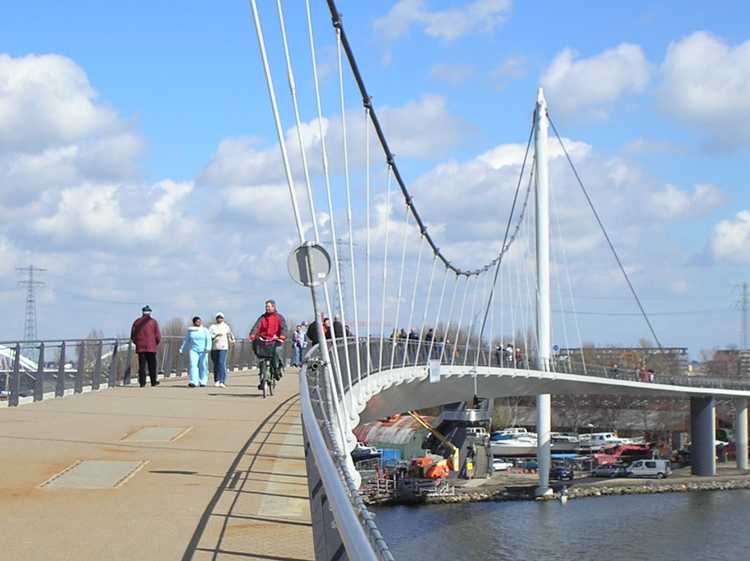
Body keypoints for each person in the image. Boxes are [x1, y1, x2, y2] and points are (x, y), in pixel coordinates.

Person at [249, 300, 288, 388]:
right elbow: (256, 327)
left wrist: (282, 336)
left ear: (274, 307)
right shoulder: (262, 318)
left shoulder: (279, 317)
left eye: (269, 307)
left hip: (275, 341)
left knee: (277, 351)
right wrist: (252, 334)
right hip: (263, 341)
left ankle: (276, 368)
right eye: (266, 306)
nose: (267, 308)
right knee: (260, 357)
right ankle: (262, 379)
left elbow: (284, 328)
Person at [130, 305, 162, 387]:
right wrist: (155, 343)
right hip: (151, 346)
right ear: (150, 312)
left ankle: (142, 382)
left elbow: (133, 335)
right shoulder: (153, 322)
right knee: (152, 364)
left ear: (142, 312)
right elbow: (158, 335)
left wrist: (137, 342)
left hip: (141, 346)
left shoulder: (137, 322)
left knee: (142, 365)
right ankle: (153, 381)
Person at [179, 316, 212, 387]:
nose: (199, 323)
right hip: (193, 350)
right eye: (197, 322)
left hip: (203, 351)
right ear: (194, 322)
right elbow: (186, 341)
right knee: (193, 365)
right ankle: (193, 381)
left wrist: (208, 348)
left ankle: (203, 381)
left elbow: (208, 339)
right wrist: (181, 349)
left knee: (203, 366)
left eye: (200, 321)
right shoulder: (191, 331)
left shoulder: (204, 330)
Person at [209, 313, 235, 387]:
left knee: (221, 363)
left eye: (221, 318)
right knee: (216, 364)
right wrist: (215, 336)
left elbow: (230, 335)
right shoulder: (212, 327)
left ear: (223, 319)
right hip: (214, 347)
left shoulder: (226, 327)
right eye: (218, 318)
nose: (219, 319)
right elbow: (209, 337)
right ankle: (217, 380)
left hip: (223, 347)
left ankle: (222, 380)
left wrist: (232, 341)